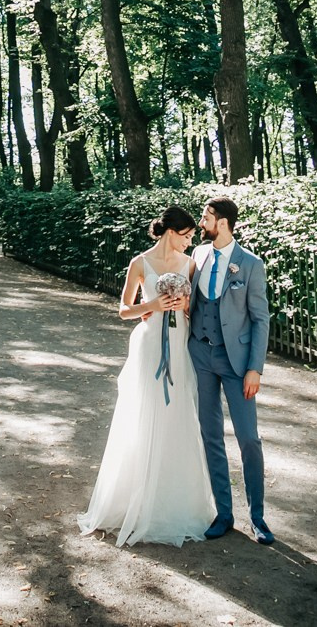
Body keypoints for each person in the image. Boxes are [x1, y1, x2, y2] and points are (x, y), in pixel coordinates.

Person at [78, 206, 215, 547]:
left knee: (177, 416)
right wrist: (154, 305)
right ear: (172, 232)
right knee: (143, 415)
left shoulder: (190, 265)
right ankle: (134, 501)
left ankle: (174, 501)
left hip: (179, 348)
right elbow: (124, 310)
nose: (189, 243)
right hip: (149, 345)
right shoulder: (140, 263)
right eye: (186, 237)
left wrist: (182, 305)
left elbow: (194, 310)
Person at [189, 196, 273, 544]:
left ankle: (258, 517)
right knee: (210, 437)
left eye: (206, 216)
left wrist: (255, 368)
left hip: (237, 363)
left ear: (222, 222)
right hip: (201, 357)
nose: (202, 221)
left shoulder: (250, 264)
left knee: (248, 439)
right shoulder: (198, 255)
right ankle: (224, 514)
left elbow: (260, 318)